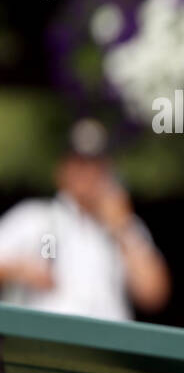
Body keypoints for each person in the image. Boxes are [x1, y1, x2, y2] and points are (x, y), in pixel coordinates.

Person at [0, 124, 170, 320]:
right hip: (47, 340)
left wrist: (122, 229)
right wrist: (19, 269)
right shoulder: (36, 217)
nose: (87, 175)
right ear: (63, 169)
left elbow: (153, 294)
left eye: (95, 166)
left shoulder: (124, 226)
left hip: (107, 342)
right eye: (79, 164)